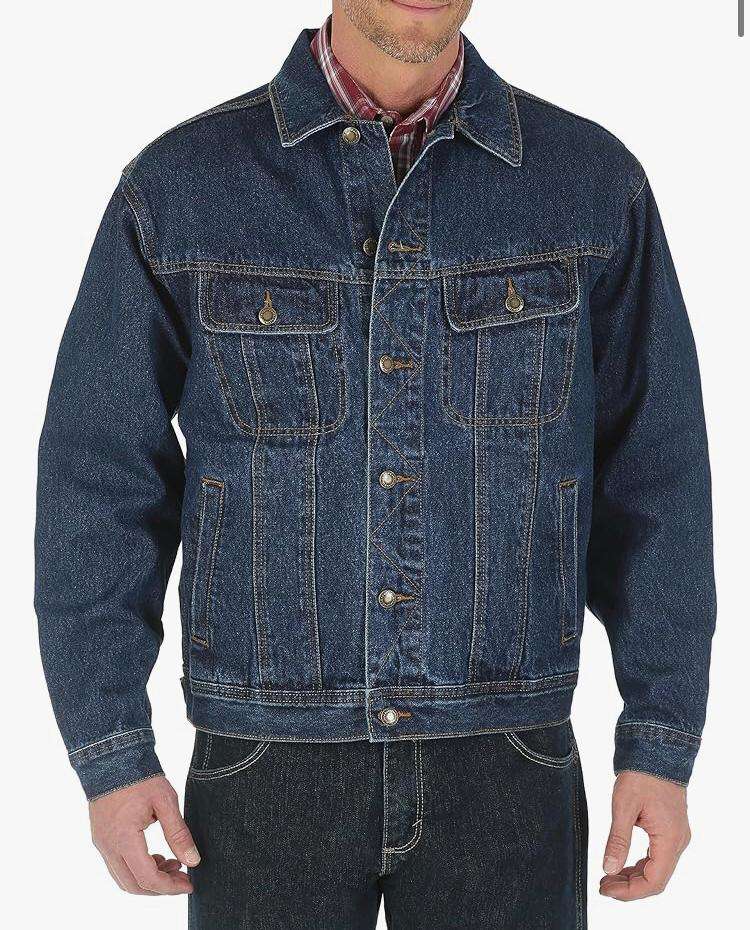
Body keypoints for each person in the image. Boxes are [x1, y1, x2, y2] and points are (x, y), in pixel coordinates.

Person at [34, 1, 716, 927]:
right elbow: (100, 480)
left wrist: (661, 740)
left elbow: (656, 476)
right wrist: (110, 750)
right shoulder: (180, 188)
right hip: (265, 766)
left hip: (509, 762)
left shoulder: (591, 185)